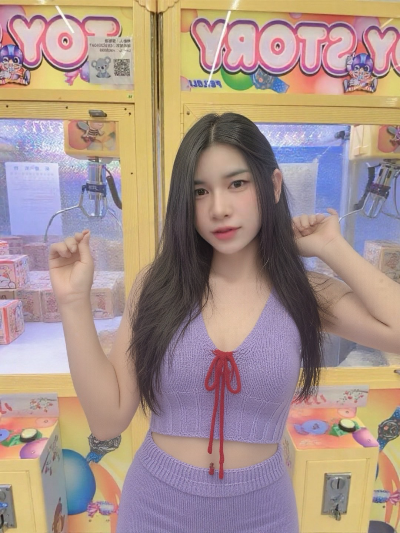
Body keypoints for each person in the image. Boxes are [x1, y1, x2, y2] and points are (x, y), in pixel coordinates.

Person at [49, 113, 400, 532]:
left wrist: (331, 247)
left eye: (237, 184)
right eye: (200, 191)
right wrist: (73, 301)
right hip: (155, 510)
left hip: (264, 515)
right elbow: (108, 420)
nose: (218, 208)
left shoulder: (304, 291)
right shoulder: (157, 286)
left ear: (272, 186)